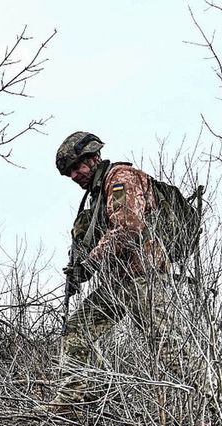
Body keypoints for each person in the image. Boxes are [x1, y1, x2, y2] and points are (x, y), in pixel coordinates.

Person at [48, 131, 186, 407]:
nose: (75, 175)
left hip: (142, 278)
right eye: (70, 172)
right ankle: (70, 402)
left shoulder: (120, 179)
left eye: (78, 167)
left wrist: (91, 264)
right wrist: (79, 266)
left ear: (94, 157)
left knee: (170, 349)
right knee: (77, 331)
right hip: (118, 282)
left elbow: (127, 228)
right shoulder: (97, 195)